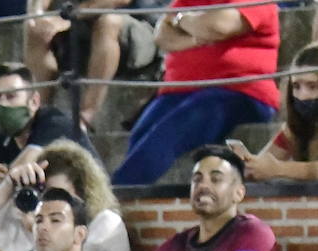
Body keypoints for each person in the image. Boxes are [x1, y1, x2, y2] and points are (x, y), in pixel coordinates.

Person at [111, 0, 279, 186]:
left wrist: (181, 19)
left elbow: (219, 26)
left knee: (170, 131)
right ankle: (121, 196)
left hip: (237, 91)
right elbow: (162, 36)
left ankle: (113, 196)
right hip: (178, 92)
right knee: (140, 134)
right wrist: (201, 33)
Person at [0, 138, 130, 251]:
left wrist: (42, 228)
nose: (52, 202)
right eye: (46, 195)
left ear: (82, 192)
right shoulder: (41, 224)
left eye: (60, 194)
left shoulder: (106, 223)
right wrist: (10, 182)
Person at [125, 145, 279, 251]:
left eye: (215, 179)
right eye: (197, 179)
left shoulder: (253, 233)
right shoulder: (177, 244)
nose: (203, 185)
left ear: (239, 193)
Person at [0, 62, 95, 188]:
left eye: (11, 96)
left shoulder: (54, 124)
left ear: (34, 102)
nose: (2, 104)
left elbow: (18, 171)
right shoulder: (5, 139)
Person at [24, 0, 159, 133]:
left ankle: (85, 115)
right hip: (83, 22)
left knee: (109, 21)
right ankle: (38, 114)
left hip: (146, 28)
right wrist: (37, 15)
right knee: (37, 28)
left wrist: (68, 16)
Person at [232, 43, 318, 183]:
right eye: (296, 86)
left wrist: (279, 169)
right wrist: (251, 167)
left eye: (312, 86)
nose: (302, 96)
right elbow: (266, 160)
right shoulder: (295, 127)